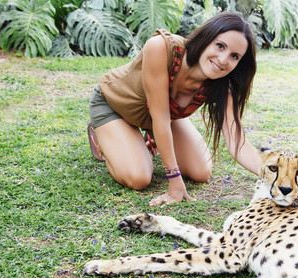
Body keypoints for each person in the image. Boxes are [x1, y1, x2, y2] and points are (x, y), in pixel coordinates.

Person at [87, 12, 261, 207]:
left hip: (162, 116)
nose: (222, 59)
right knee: (139, 178)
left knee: (201, 172)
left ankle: (145, 141)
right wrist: (174, 181)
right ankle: (103, 141)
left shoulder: (222, 86)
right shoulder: (162, 47)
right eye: (220, 46)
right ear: (207, 38)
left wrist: (275, 176)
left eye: (234, 56)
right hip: (115, 105)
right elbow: (160, 119)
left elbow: (238, 142)